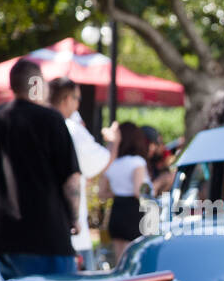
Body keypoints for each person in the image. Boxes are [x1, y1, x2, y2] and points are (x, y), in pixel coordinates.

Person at [0, 58, 82, 279]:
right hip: (47, 234)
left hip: (5, 238)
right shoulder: (51, 119)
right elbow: (71, 180)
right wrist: (74, 216)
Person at [49, 77, 118, 269]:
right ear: (66, 99)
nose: (78, 104)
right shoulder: (71, 129)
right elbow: (97, 164)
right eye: (77, 98)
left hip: (38, 230)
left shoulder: (35, 127)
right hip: (70, 232)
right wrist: (114, 141)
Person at [100, 121, 150, 265]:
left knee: (119, 261)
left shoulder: (112, 163)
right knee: (134, 260)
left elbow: (102, 193)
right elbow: (138, 191)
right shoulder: (137, 162)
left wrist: (118, 191)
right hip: (133, 212)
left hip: (117, 210)